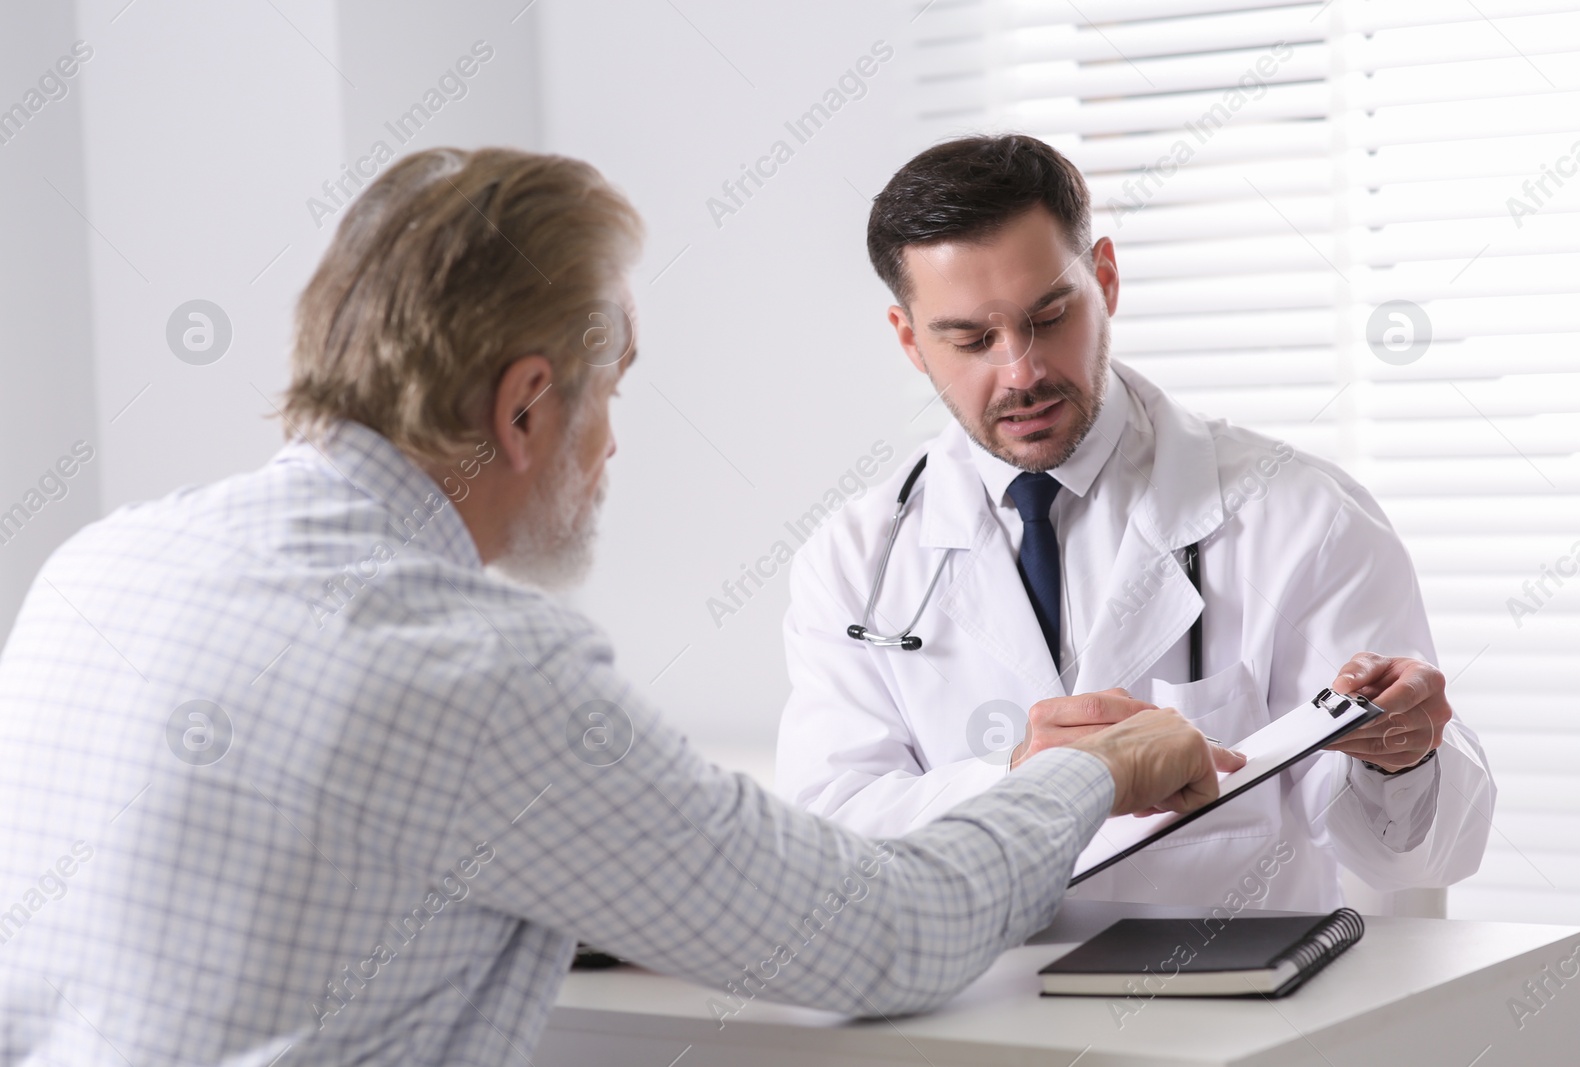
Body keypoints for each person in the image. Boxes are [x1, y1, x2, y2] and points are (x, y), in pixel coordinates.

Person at [0, 148, 1241, 1065]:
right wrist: (1100, 768)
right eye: (614, 389)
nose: (610, 445)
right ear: (528, 403)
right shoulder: (476, 667)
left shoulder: (98, 568)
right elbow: (890, 937)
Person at [775, 134, 1495, 912]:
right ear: (911, 340)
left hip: (1227, 1015)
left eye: (1049, 315)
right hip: (976, 1013)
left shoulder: (1301, 517)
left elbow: (1412, 859)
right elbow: (834, 843)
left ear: (1106, 279)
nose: (1021, 371)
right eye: (972, 339)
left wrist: (1403, 759)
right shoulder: (854, 558)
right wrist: (1030, 782)